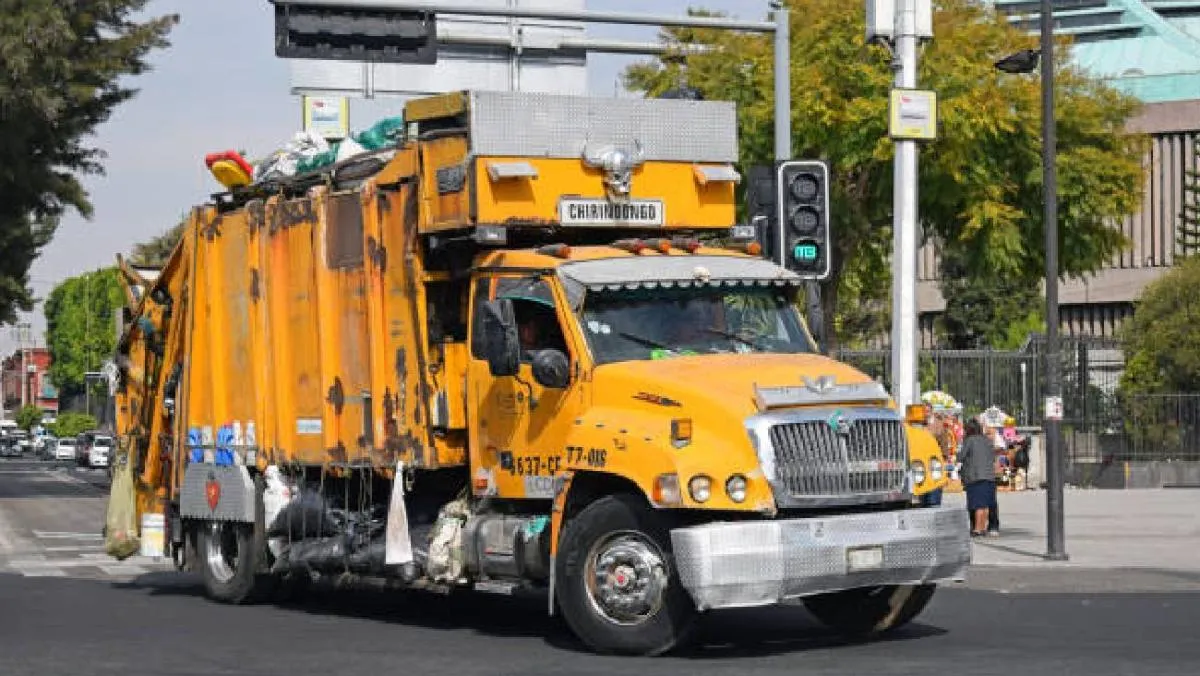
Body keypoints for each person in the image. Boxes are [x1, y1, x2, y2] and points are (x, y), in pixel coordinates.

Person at [958, 418, 997, 537]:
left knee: (977, 504)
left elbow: (961, 456)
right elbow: (992, 457)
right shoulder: (988, 440)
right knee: (985, 505)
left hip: (975, 476)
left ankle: (977, 529)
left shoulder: (969, 441)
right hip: (989, 476)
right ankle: (983, 527)